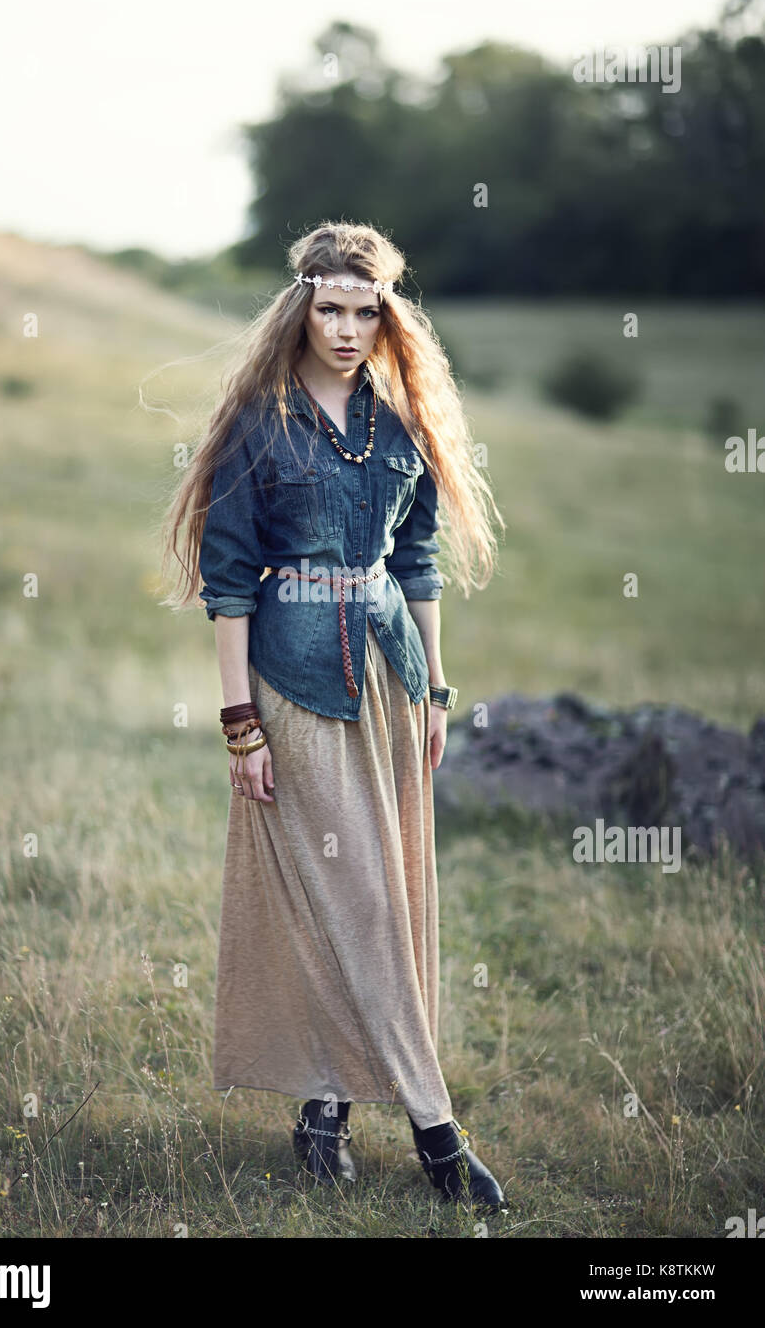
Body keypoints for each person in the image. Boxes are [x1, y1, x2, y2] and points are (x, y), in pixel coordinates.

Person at [160, 221, 508, 1211]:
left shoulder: (397, 429)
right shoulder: (255, 427)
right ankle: (438, 1133)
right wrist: (239, 722)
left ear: (385, 315)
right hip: (294, 684)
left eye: (365, 312)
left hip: (390, 687)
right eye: (329, 309)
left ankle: (324, 1111)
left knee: (375, 902)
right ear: (300, 308)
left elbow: (415, 563)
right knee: (351, 897)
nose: (346, 330)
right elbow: (227, 582)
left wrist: (435, 686)